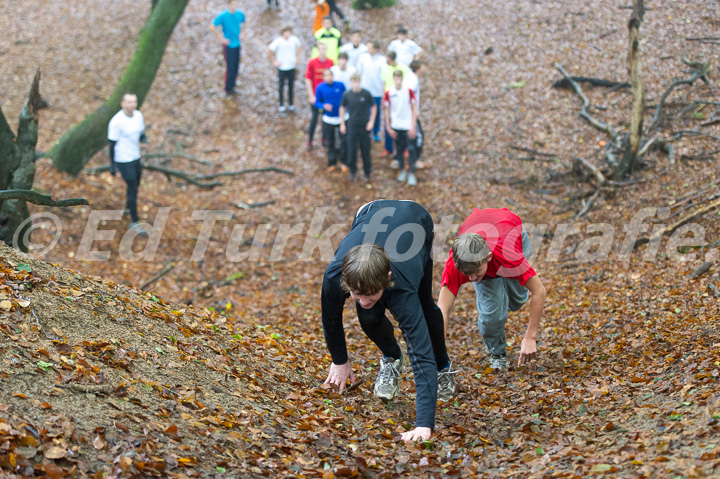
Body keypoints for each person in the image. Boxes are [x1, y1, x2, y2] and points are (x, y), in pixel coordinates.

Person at [321, 200, 456, 443]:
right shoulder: (335, 276)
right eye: (355, 295)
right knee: (369, 315)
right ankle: (393, 358)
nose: (361, 301)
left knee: (425, 308)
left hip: (416, 221)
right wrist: (339, 360)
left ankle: (444, 367)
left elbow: (420, 350)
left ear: (388, 279)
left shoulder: (402, 288)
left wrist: (424, 424)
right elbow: (331, 319)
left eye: (370, 294)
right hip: (370, 211)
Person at [438, 208, 546, 370]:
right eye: (468, 275)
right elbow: (442, 310)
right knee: (491, 315)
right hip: (487, 248)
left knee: (516, 302)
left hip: (513, 236)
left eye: (476, 273)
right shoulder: (456, 263)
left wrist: (530, 337)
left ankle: (504, 290)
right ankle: (497, 353)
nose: (472, 279)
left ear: (488, 257)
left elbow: (539, 291)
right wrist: (439, 351)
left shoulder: (510, 255)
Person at [108, 93, 149, 238]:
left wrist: (144, 140)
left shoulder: (138, 116)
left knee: (136, 185)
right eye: (129, 102)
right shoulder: (116, 121)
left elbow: (141, 132)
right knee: (133, 187)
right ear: (122, 104)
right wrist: (113, 166)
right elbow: (112, 145)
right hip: (123, 159)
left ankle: (127, 208)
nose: (132, 105)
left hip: (135, 157)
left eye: (134, 102)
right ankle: (135, 221)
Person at [384, 70, 418, 185]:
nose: (397, 80)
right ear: (393, 79)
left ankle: (412, 172)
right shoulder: (389, 93)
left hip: (408, 125)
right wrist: (388, 127)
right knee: (399, 149)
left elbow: (414, 108)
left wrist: (413, 125)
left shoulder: (408, 91)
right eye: (396, 78)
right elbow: (387, 110)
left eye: (399, 78)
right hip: (396, 126)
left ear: (402, 79)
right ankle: (403, 170)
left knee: (411, 149)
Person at [340, 73, 376, 181]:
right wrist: (342, 123)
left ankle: (367, 171)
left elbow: (374, 107)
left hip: (364, 126)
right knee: (351, 149)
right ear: (351, 83)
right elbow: (342, 107)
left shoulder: (366, 94)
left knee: (365, 149)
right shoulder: (347, 94)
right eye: (353, 82)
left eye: (357, 82)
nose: (355, 84)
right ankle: (352, 170)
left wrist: (371, 121)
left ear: (360, 82)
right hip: (352, 125)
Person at [209, 0, 246, 96]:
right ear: (229, 4)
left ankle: (233, 86)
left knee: (236, 66)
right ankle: (227, 89)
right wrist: (221, 38)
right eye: (233, 3)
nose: (235, 5)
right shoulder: (223, 15)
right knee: (230, 67)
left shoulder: (239, 13)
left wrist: (243, 33)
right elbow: (212, 27)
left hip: (237, 44)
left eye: (236, 3)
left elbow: (244, 22)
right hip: (229, 46)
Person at [380, 51, 410, 161]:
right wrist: (384, 97)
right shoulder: (384, 68)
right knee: (388, 121)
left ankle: (404, 147)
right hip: (389, 96)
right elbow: (384, 83)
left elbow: (407, 81)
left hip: (400, 97)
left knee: (401, 121)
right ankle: (388, 148)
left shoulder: (403, 68)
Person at [315, 69, 347, 171]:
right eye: (326, 76)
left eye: (330, 75)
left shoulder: (340, 85)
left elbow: (346, 98)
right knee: (330, 141)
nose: (328, 77)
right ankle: (331, 162)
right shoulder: (320, 88)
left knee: (343, 140)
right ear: (324, 77)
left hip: (341, 118)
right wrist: (324, 105)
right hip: (328, 119)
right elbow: (317, 102)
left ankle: (343, 161)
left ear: (333, 76)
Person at [305, 42, 334, 150]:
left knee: (325, 119)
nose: (322, 51)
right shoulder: (312, 63)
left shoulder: (330, 62)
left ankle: (324, 138)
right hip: (316, 96)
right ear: (317, 50)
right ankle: (310, 140)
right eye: (320, 49)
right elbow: (308, 79)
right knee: (314, 118)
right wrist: (311, 95)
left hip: (326, 96)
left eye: (324, 49)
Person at [267, 26, 302, 114]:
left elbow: (300, 46)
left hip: (291, 67)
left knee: (291, 86)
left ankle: (291, 105)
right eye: (285, 32)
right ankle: (281, 106)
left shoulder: (294, 40)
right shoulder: (278, 41)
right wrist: (274, 62)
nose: (287, 34)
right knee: (281, 87)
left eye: (288, 32)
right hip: (282, 68)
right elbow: (269, 50)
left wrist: (297, 58)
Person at [356, 40, 386, 142]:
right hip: (365, 90)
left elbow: (384, 75)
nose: (369, 50)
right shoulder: (363, 58)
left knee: (376, 112)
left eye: (371, 48)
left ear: (376, 49)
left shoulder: (382, 60)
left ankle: (376, 132)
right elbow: (359, 72)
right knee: (364, 112)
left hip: (377, 91)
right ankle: (365, 131)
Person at [403, 60, 427, 168]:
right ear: (418, 67)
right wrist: (414, 112)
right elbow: (409, 94)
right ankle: (415, 159)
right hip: (410, 112)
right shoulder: (412, 79)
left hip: (408, 112)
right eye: (423, 65)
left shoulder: (409, 76)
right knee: (418, 136)